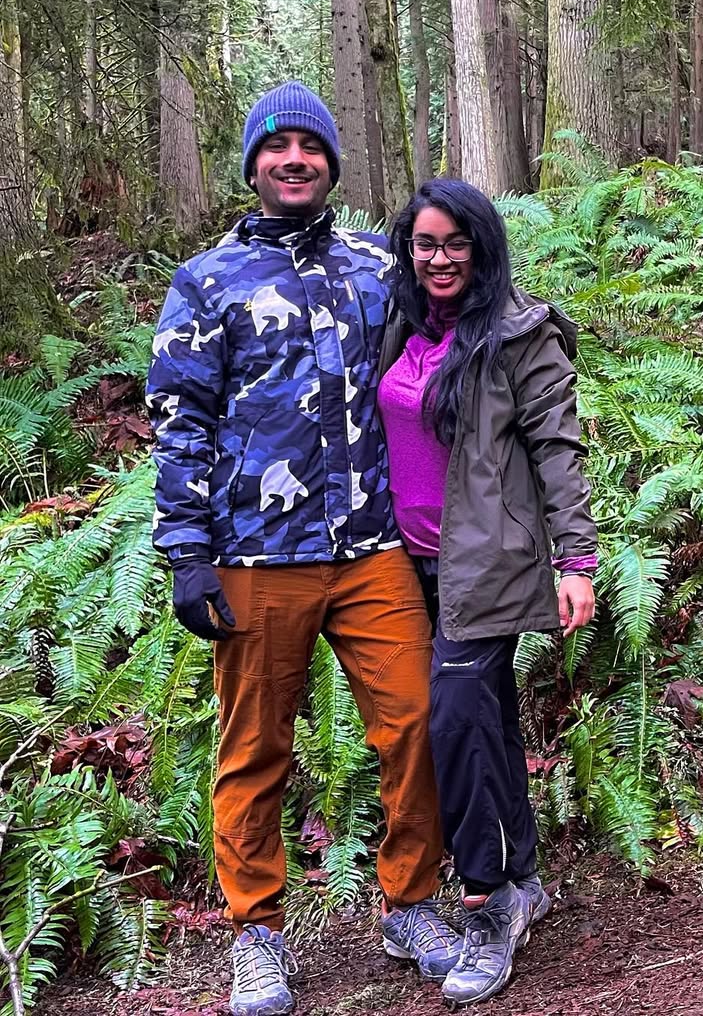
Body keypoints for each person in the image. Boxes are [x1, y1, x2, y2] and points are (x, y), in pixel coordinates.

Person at [147, 82, 460, 1016]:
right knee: (254, 750)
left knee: (417, 724)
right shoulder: (207, 281)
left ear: (331, 162)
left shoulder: (377, 266)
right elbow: (179, 418)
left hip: (372, 549)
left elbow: (443, 350)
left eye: (309, 146)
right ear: (253, 165)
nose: (294, 159)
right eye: (275, 146)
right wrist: (186, 551)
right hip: (255, 556)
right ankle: (257, 934)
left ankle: (412, 902)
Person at [376, 178, 599, 1005]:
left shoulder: (519, 334)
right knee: (487, 717)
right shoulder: (400, 323)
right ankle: (525, 875)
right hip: (407, 568)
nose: (439, 259)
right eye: (425, 244)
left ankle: (487, 897)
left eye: (455, 243)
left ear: (483, 246)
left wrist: (577, 561)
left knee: (455, 721)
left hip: (489, 562)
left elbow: (558, 451)